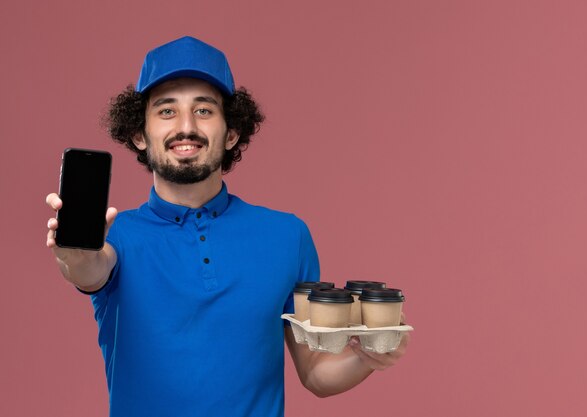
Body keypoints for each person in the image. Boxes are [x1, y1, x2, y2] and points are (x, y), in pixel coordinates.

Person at [45, 36, 408, 417]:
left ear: (231, 132)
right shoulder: (115, 235)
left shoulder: (287, 236)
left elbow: (316, 372)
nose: (186, 127)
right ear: (140, 134)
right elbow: (89, 269)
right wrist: (74, 255)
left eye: (204, 110)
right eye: (166, 112)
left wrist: (368, 356)